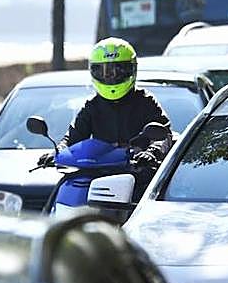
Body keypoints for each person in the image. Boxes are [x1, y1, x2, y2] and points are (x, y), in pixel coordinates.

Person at [38, 37, 172, 189]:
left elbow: (164, 134)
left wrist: (151, 153)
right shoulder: (92, 106)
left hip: (139, 176)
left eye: (118, 70)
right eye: (104, 72)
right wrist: (57, 153)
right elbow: (72, 137)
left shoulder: (146, 101)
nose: (111, 76)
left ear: (132, 70)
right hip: (97, 176)